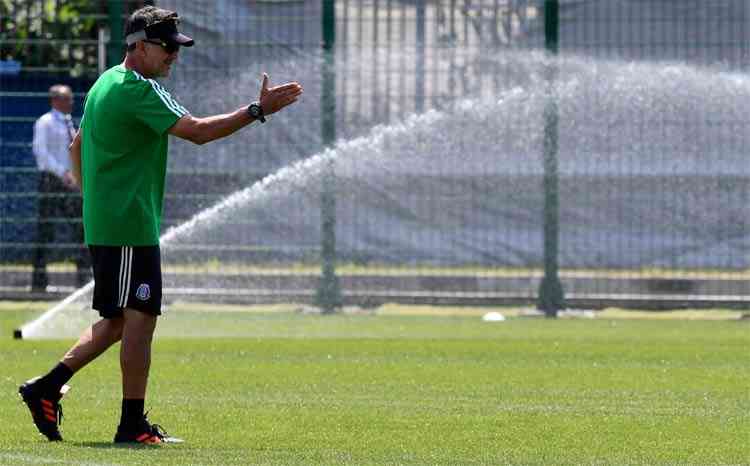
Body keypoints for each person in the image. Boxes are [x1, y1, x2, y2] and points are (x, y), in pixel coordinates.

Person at [19, 6, 302, 444]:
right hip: (130, 225)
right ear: (140, 47)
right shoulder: (139, 88)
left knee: (117, 321)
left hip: (110, 221)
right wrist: (256, 109)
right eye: (168, 47)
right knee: (141, 319)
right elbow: (198, 131)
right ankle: (131, 425)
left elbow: (76, 147)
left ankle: (46, 387)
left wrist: (92, 194)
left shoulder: (105, 82)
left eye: (178, 47)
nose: (175, 54)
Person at [31, 84, 91, 291]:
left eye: (71, 99)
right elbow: (41, 153)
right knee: (45, 232)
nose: (71, 102)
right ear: (55, 100)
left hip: (71, 183)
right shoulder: (44, 122)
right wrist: (62, 173)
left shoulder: (70, 123)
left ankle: (83, 280)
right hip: (52, 182)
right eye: (67, 99)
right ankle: (39, 283)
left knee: (82, 229)